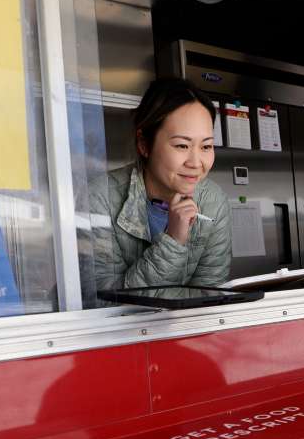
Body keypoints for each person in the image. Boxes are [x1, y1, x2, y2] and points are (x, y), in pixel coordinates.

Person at [93, 79, 231, 294]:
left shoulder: (213, 201)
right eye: (182, 145)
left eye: (206, 146)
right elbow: (106, 300)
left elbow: (209, 296)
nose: (195, 163)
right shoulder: (100, 197)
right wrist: (173, 241)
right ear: (144, 144)